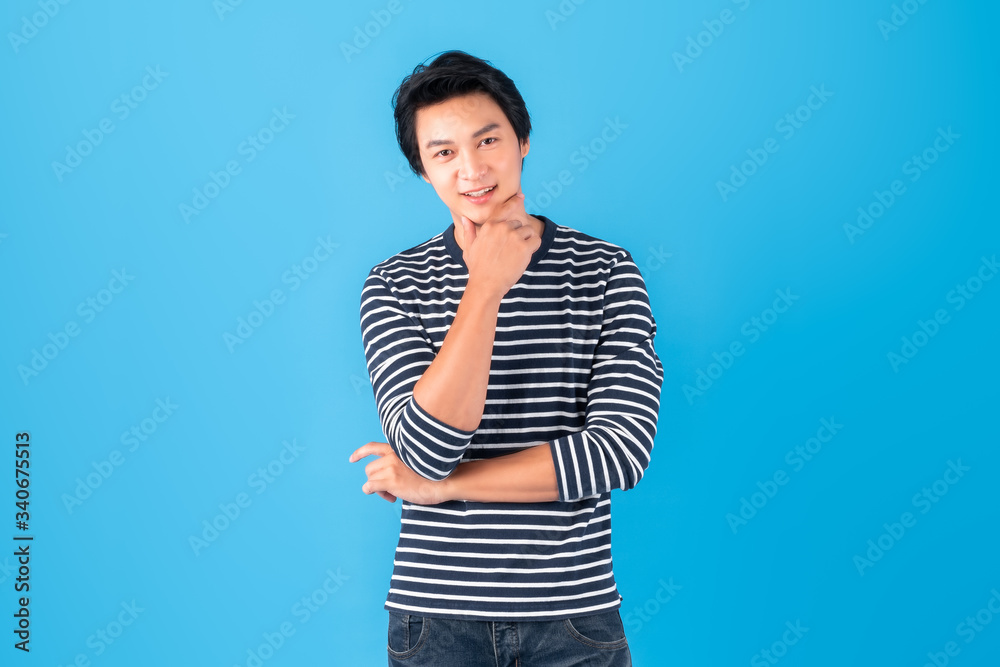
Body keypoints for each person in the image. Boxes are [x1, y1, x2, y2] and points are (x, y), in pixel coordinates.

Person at [349, 49, 664, 667]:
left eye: (487, 140)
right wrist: (486, 286)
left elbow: (619, 453)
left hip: (572, 616)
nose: (472, 169)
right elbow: (426, 449)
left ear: (522, 140)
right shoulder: (394, 285)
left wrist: (442, 490)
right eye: (443, 153)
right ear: (423, 172)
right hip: (435, 620)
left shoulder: (606, 272)